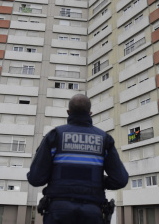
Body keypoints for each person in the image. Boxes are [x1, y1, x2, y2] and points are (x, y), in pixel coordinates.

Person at [27, 94, 128, 224]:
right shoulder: (104, 139)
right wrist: (97, 180)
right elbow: (120, 180)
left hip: (58, 211)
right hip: (92, 212)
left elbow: (36, 178)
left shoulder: (54, 136)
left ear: (68, 112)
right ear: (90, 113)